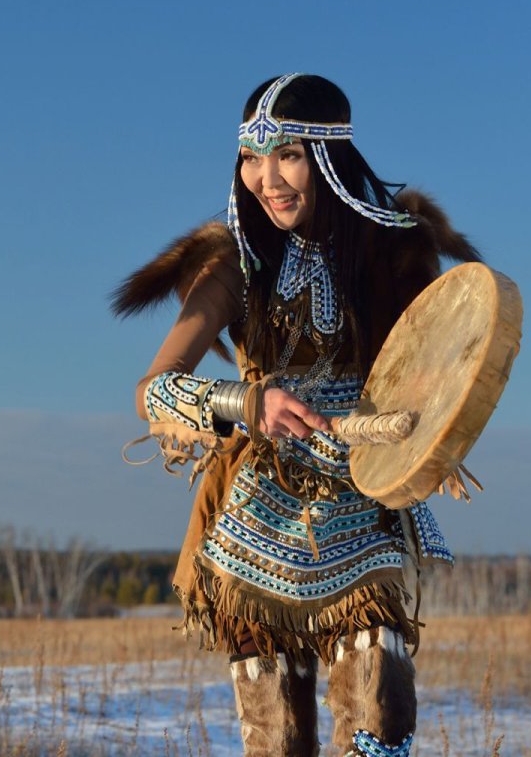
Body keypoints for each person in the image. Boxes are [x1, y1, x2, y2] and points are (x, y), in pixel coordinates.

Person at [113, 74, 480, 756]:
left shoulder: (395, 252)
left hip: (365, 503)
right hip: (257, 527)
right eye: (251, 158)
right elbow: (152, 391)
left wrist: (434, 430)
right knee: (279, 739)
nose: (266, 178)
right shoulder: (234, 264)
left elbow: (441, 369)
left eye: (287, 154)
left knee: (382, 717)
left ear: (329, 157)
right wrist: (245, 403)